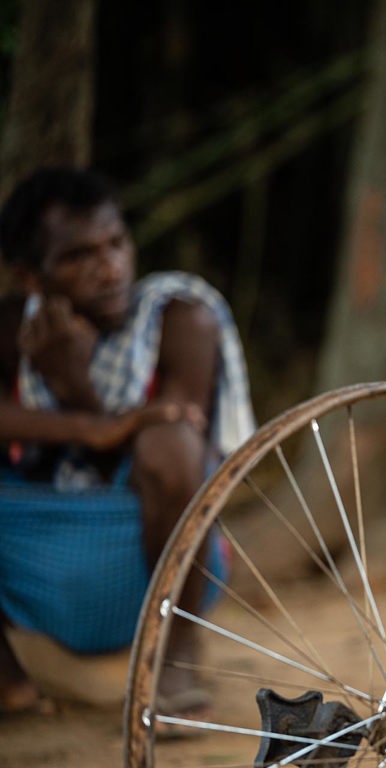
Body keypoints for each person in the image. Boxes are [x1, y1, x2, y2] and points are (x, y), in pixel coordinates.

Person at [0, 167, 254, 717]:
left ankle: (176, 659)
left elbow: (186, 460)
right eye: (78, 257)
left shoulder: (180, 320)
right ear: (30, 278)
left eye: (117, 243)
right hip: (33, 567)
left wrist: (78, 390)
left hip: (150, 560)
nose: (110, 268)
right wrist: (89, 426)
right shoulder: (11, 333)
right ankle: (10, 681)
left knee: (171, 442)